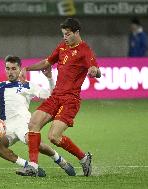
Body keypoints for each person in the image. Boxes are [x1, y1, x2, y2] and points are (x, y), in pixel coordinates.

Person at [16, 18, 101, 177]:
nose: (65, 37)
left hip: (70, 100)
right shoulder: (62, 46)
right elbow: (47, 62)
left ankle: (83, 158)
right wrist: (27, 68)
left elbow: (95, 68)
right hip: (55, 96)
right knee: (33, 122)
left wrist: (94, 70)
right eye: (63, 34)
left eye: (68, 34)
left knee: (54, 137)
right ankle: (33, 166)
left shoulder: (84, 50)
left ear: (76, 32)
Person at [0, 55, 76, 177]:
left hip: (23, 124)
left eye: (14, 68)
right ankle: (27, 165)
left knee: (35, 144)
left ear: (20, 69)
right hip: (5, 128)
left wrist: (50, 78)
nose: (10, 72)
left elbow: (51, 95)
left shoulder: (27, 85)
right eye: (8, 68)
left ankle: (60, 160)